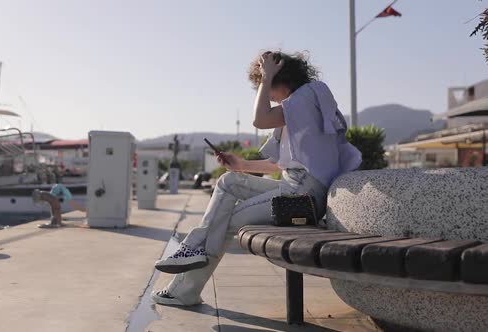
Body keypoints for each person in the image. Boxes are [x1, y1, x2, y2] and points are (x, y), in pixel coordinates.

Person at [151, 51, 362, 306]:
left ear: (277, 77)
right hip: (294, 187)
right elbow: (281, 164)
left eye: (264, 85)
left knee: (226, 220)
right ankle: (190, 260)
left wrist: (266, 75)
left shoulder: (305, 98)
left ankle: (185, 287)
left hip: (303, 198)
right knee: (229, 181)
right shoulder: (298, 108)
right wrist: (241, 165)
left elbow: (259, 119)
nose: (266, 94)